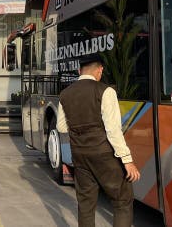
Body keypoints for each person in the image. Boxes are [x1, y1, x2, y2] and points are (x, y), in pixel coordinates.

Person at [56, 57, 140, 227]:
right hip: (104, 155)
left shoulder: (65, 94)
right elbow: (113, 130)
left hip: (80, 155)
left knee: (86, 206)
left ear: (80, 71)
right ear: (99, 70)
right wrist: (127, 161)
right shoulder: (105, 91)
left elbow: (61, 127)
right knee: (122, 201)